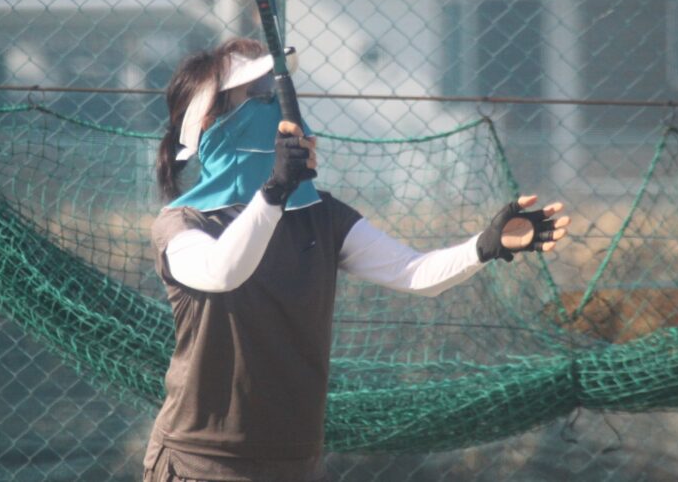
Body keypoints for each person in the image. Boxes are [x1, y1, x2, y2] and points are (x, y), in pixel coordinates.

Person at [144, 38, 570, 482]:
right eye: (258, 94)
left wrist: (485, 245)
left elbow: (415, 273)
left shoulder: (321, 216)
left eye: (276, 90)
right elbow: (223, 271)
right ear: (209, 121)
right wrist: (274, 191)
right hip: (200, 460)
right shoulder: (181, 224)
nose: (277, 105)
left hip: (297, 461)